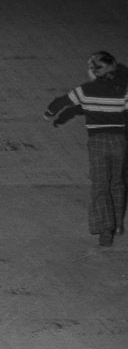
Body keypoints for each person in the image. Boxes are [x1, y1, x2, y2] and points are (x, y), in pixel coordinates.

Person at [43, 52, 128, 247]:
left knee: (100, 185)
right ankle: (116, 223)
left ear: (92, 71)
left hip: (97, 142)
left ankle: (105, 229)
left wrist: (49, 114)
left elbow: (60, 102)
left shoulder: (85, 91)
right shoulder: (122, 90)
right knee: (116, 182)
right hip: (118, 142)